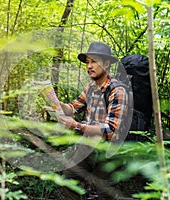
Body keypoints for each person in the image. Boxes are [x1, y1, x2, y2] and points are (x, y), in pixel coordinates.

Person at [58, 42, 128, 199]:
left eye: (94, 61)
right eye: (87, 62)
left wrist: (77, 126)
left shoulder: (118, 91)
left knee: (104, 194)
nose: (89, 66)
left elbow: (110, 130)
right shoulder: (90, 87)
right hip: (87, 145)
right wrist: (57, 104)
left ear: (107, 63)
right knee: (68, 181)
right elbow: (73, 107)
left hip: (107, 150)